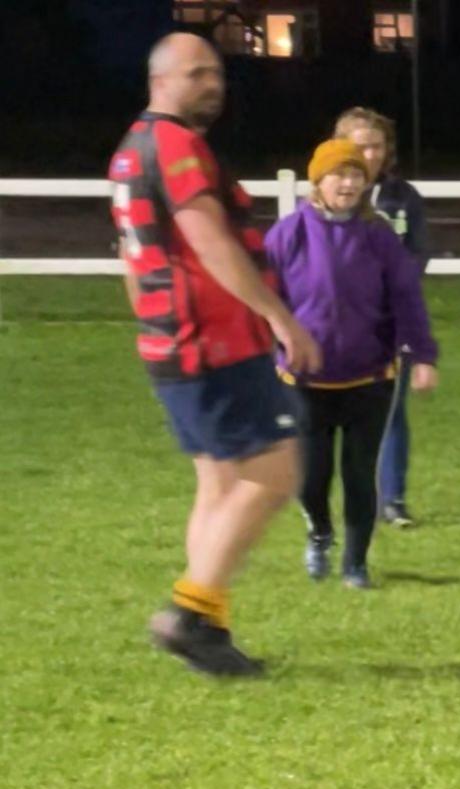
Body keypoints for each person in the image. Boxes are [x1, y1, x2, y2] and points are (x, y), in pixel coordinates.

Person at [108, 32, 320, 677]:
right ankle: (190, 613)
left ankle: (211, 629)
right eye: (197, 74)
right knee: (275, 474)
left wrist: (149, 323)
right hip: (212, 342)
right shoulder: (175, 146)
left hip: (173, 343)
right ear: (160, 80)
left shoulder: (130, 150)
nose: (213, 85)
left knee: (220, 482)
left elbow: (129, 256)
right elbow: (208, 242)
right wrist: (281, 318)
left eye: (218, 74)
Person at [266, 138, 441, 589]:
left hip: (370, 377)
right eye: (338, 174)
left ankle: (355, 565)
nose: (347, 183)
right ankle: (320, 531)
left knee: (360, 475)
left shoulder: (379, 235)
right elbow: (265, 301)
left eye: (356, 175)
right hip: (305, 380)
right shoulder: (288, 234)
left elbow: (406, 299)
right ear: (318, 180)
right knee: (311, 477)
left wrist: (422, 355)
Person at [333, 105, 435, 529]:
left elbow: (418, 252)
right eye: (359, 147)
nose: (369, 156)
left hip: (389, 323)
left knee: (391, 411)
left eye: (376, 147)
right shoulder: (332, 195)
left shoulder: (403, 198)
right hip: (337, 322)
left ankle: (392, 500)